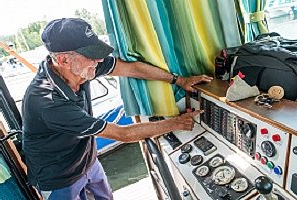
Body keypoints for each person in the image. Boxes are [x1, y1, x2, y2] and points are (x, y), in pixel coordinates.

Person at [22, 18, 213, 200]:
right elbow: (123, 134)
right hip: (57, 177)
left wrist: (180, 80)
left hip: (87, 160)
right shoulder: (47, 101)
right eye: (91, 55)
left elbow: (132, 69)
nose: (98, 60)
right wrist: (178, 123)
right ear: (63, 60)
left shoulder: (81, 66)